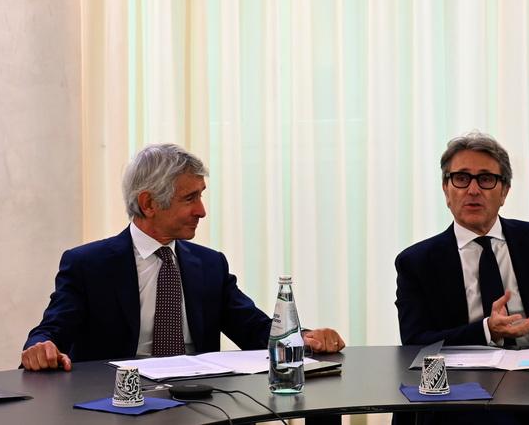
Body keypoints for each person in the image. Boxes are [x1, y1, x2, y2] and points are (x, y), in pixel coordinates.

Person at [22, 143, 345, 372]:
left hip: (200, 400)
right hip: (118, 401)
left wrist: (305, 338)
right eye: (190, 198)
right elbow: (52, 330)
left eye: (201, 196)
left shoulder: (210, 265)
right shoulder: (88, 265)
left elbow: (254, 329)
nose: (202, 211)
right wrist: (41, 347)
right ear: (148, 203)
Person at [394, 131, 529, 425]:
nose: (473, 189)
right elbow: (415, 343)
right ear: (446, 189)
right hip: (462, 389)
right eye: (461, 178)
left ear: (504, 191)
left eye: (486, 179)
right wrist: (486, 330)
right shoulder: (417, 262)